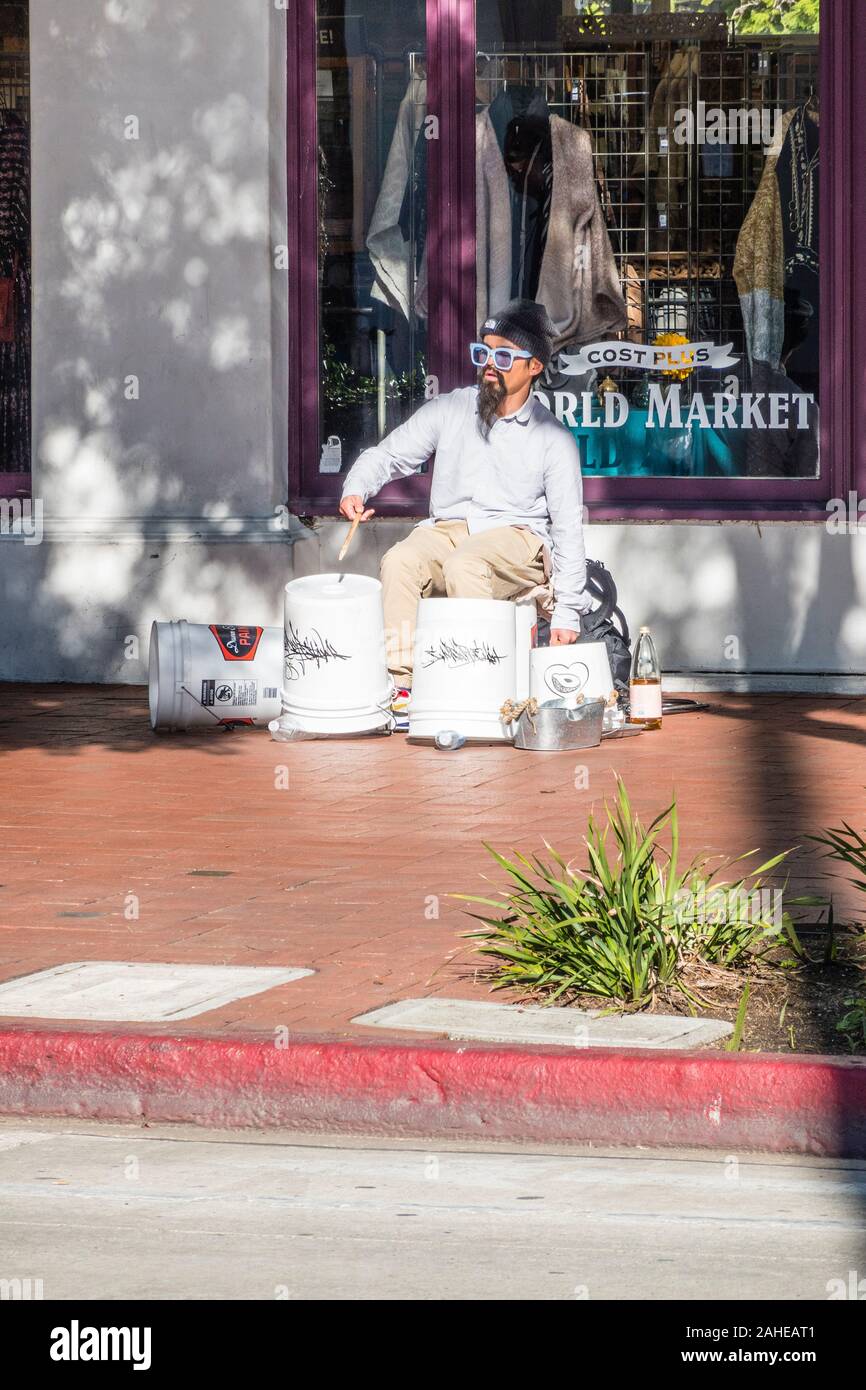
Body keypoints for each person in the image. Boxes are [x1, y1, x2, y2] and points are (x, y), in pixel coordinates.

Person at [339, 298, 593, 691]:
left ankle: (476, 686)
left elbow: (568, 530)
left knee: (465, 563)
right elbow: (388, 455)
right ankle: (405, 687)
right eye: (484, 352)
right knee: (401, 560)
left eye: (505, 356)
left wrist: (568, 615)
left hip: (518, 538)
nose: (490, 364)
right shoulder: (450, 409)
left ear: (535, 366)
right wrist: (356, 488)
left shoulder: (553, 439)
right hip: (448, 530)